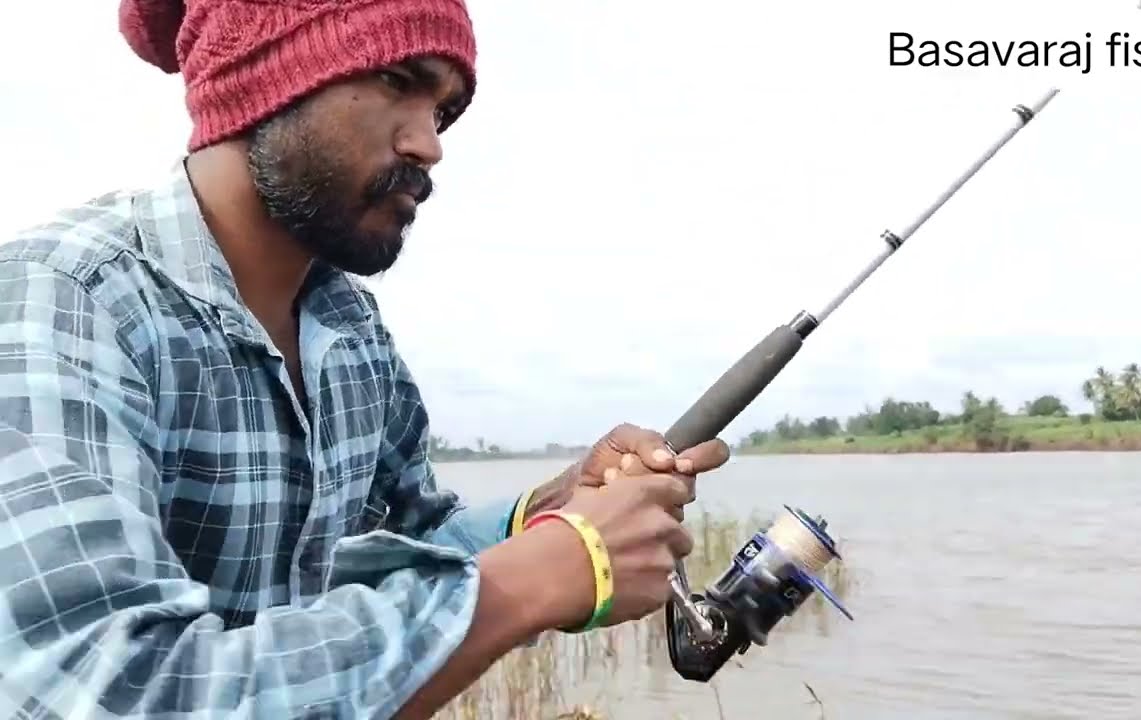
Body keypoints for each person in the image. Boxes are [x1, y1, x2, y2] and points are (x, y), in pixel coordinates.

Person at [0, 1, 731, 718]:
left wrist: (550, 512)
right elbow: (108, 689)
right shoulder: (60, 299)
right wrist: (552, 571)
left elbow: (412, 551)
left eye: (443, 111)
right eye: (396, 81)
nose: (430, 144)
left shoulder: (351, 328)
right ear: (263, 75)